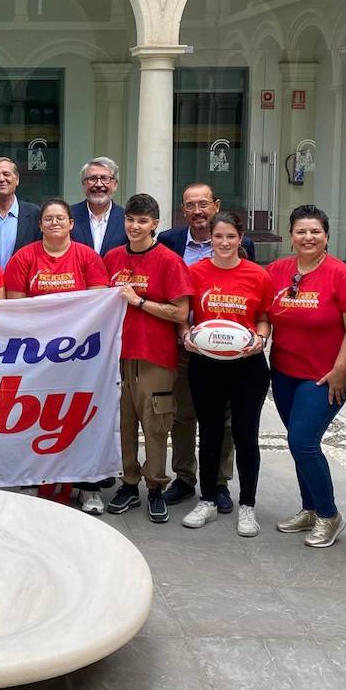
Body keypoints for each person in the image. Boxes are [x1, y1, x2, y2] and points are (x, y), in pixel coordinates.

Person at [5, 198, 111, 514]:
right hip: (36, 354)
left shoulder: (87, 257)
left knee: (82, 417)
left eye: (60, 218)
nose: (54, 223)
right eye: (48, 218)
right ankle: (34, 477)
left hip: (80, 355)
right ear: (39, 225)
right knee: (34, 415)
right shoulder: (24, 257)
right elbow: (16, 307)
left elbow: (98, 305)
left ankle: (88, 486)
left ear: (71, 224)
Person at [265, 205, 346, 549]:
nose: (308, 238)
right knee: (297, 442)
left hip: (324, 376)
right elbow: (263, 315)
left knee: (303, 442)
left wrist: (340, 371)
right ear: (291, 236)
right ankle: (309, 508)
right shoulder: (277, 270)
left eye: (315, 232)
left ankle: (329, 514)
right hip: (285, 373)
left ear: (327, 236)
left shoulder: (342, 275)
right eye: (301, 232)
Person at [157, 183, 253, 511]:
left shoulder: (243, 245)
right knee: (182, 416)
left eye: (203, 204)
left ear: (216, 205)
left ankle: (219, 483)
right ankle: (184, 477)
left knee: (223, 419)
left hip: (229, 350)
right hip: (186, 345)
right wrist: (183, 332)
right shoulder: (169, 242)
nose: (197, 211)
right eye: (190, 205)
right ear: (182, 211)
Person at [178, 211, 273, 536]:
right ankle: (206, 499)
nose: (224, 242)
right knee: (210, 433)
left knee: (246, 436)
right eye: (218, 236)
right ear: (211, 239)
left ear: (240, 238)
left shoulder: (258, 275)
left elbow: (263, 317)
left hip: (248, 367)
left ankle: (247, 505)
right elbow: (183, 314)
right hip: (206, 364)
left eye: (230, 236)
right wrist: (186, 334)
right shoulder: (196, 272)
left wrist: (260, 339)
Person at [102, 194, 192, 524]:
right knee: (123, 424)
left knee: (156, 425)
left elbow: (180, 311)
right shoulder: (112, 258)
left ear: (155, 224)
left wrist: (139, 302)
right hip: (118, 356)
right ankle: (128, 483)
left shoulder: (169, 261)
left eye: (143, 221)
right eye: (130, 220)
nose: (135, 226)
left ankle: (155, 486)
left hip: (155, 356)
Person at [71, 157, 127, 255]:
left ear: (115, 184)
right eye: (92, 179)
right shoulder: (68, 216)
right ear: (83, 184)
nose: (99, 184)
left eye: (105, 178)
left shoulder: (127, 219)